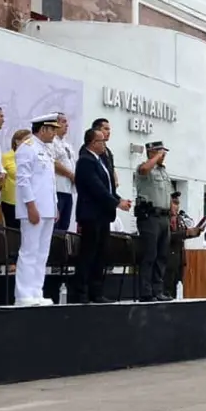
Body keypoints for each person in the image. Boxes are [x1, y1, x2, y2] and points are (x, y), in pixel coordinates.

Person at [72, 127, 130, 303]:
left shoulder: (101, 160)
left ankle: (96, 292)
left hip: (103, 214)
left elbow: (109, 187)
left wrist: (118, 199)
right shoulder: (85, 161)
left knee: (101, 254)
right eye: (101, 141)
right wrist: (115, 203)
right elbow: (96, 187)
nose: (105, 144)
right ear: (92, 142)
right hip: (91, 214)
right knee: (88, 253)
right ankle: (81, 292)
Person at [14, 113, 60, 307]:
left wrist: (55, 205)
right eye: (52, 130)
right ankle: (23, 294)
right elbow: (23, 180)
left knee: (42, 253)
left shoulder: (47, 150)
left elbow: (49, 182)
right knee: (29, 251)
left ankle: (36, 291)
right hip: (33, 208)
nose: (55, 135)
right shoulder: (28, 148)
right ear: (43, 129)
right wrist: (31, 206)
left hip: (47, 208)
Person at [133, 140, 173, 302]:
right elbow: (143, 170)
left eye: (163, 153)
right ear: (151, 152)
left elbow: (168, 193)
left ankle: (158, 290)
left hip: (163, 217)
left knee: (162, 256)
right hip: (149, 216)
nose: (163, 156)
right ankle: (146, 291)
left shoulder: (163, 172)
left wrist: (171, 214)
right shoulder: (145, 167)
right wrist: (156, 157)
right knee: (150, 254)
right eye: (159, 152)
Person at [0, 129, 30, 226]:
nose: (30, 143)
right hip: (10, 201)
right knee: (13, 231)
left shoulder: (31, 157)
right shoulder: (6, 157)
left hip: (27, 201)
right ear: (17, 141)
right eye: (27, 140)